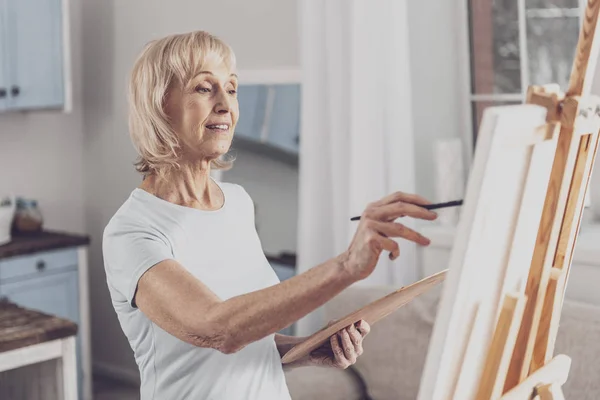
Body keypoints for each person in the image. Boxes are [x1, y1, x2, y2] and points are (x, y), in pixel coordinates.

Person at [102, 30, 438, 400]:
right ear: (161, 103)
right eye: (204, 88)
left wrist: (305, 348)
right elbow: (218, 329)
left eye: (231, 89)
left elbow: (246, 333)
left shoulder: (238, 202)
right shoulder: (132, 232)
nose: (225, 104)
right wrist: (346, 267)